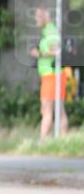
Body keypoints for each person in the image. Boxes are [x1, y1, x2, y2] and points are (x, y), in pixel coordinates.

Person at [29, 7, 69, 139]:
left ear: (45, 16)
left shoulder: (51, 31)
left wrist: (39, 54)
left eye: (37, 16)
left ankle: (43, 143)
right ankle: (64, 142)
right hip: (52, 75)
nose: (35, 19)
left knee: (47, 111)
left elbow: (56, 51)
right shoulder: (48, 31)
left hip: (52, 75)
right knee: (58, 110)